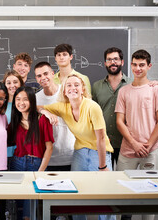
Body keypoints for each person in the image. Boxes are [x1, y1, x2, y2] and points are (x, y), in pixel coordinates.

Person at [39, 74, 115, 220]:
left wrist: (102, 166)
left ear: (82, 89)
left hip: (99, 152)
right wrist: (46, 112)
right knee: (75, 191)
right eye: (69, 85)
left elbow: (100, 139)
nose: (72, 88)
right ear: (64, 91)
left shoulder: (92, 107)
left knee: (103, 193)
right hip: (80, 152)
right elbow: (37, 107)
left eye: (76, 85)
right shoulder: (63, 107)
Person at [115, 50, 158, 220]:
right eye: (135, 64)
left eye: (142, 65)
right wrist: (134, 144)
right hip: (128, 150)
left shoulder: (156, 89)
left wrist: (148, 145)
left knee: (150, 192)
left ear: (149, 66)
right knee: (124, 191)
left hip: (151, 150)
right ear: (130, 65)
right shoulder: (124, 91)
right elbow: (120, 122)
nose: (138, 68)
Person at [8, 86, 54, 220]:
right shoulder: (15, 121)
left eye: (25, 99)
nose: (21, 103)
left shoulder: (42, 119)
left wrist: (40, 172)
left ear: (32, 101)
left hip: (36, 164)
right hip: (17, 163)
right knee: (18, 204)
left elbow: (49, 148)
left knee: (29, 208)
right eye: (18, 99)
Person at [92, 47, 131, 169]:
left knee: (123, 178)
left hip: (126, 141)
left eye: (116, 59)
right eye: (109, 60)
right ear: (105, 63)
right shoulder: (97, 86)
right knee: (104, 177)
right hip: (103, 141)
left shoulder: (132, 84)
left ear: (122, 62)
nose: (113, 62)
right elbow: (93, 113)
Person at [34, 61, 75, 171]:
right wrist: (43, 111)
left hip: (69, 154)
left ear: (53, 74)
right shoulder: (36, 98)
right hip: (47, 157)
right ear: (36, 79)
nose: (43, 77)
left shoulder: (67, 91)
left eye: (46, 73)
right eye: (39, 75)